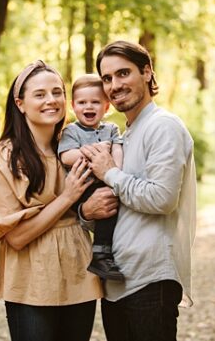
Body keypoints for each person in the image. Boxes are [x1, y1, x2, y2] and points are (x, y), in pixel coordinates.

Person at [0, 60, 102, 341]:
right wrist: (67, 197)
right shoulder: (4, 157)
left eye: (57, 92)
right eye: (40, 94)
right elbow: (17, 237)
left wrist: (86, 211)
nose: (51, 100)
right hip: (31, 281)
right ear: (20, 104)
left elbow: (94, 211)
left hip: (78, 273)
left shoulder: (73, 150)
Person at [78, 40, 196, 341]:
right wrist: (86, 213)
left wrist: (110, 173)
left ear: (146, 72)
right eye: (107, 78)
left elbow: (162, 198)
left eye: (123, 73)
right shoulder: (123, 136)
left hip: (150, 281)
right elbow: (117, 210)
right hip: (116, 284)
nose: (114, 85)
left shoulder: (163, 126)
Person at [59, 73, 125, 281]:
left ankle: (112, 253)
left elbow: (117, 150)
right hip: (83, 185)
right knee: (104, 209)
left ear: (106, 107)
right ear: (73, 106)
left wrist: (115, 173)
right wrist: (93, 151)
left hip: (106, 181)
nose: (89, 107)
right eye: (82, 102)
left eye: (95, 102)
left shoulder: (111, 129)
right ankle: (101, 255)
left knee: (114, 208)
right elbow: (66, 156)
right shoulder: (71, 131)